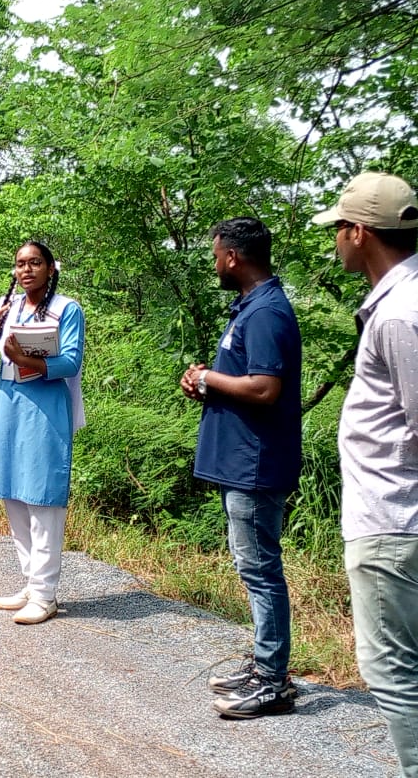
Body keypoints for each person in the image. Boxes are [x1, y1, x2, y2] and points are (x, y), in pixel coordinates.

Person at [312, 171, 418, 776]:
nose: (336, 243)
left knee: (393, 672)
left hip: (394, 519)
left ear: (359, 232)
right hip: (396, 517)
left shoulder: (400, 314)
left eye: (339, 231)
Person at [180, 217, 302, 719]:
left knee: (259, 569)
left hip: (256, 465)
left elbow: (264, 387)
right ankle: (264, 664)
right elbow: (242, 379)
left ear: (233, 256)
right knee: (253, 566)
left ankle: (273, 681)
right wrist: (205, 382)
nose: (214, 263)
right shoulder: (251, 308)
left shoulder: (267, 312)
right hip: (242, 462)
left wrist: (210, 375)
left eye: (215, 255)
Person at [0, 241, 85, 625]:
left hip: (45, 406)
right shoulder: (12, 308)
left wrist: (27, 360)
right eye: (20, 264)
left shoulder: (66, 309)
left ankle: (45, 593)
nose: (26, 270)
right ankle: (30, 582)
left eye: (35, 262)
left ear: (50, 268)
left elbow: (70, 361)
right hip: (10, 403)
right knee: (14, 495)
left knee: (42, 497)